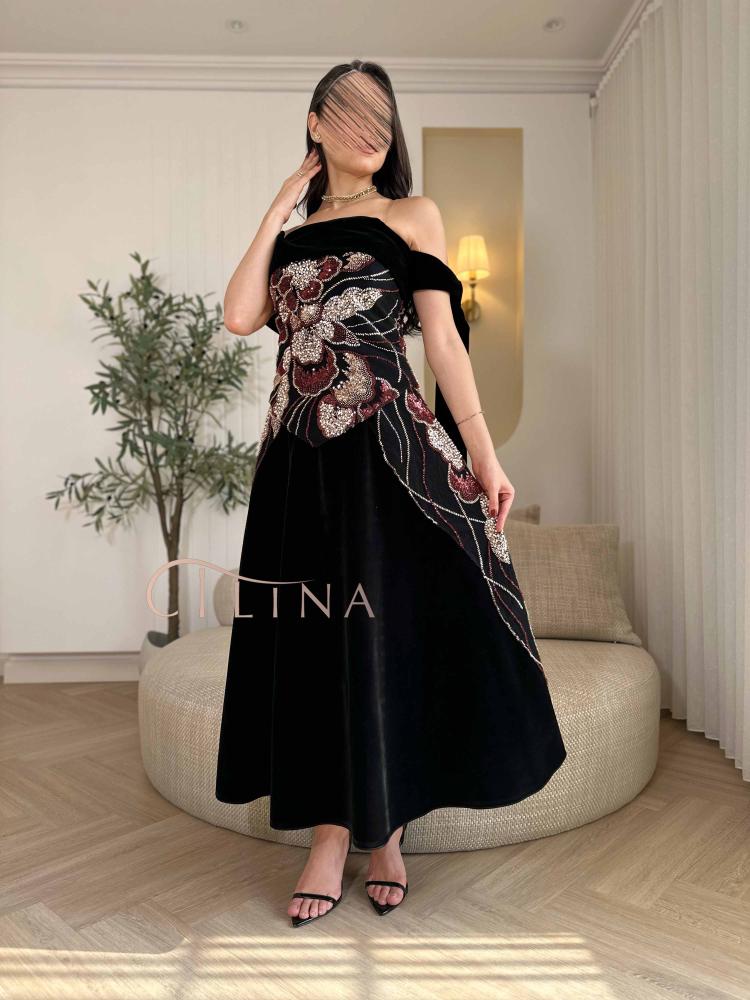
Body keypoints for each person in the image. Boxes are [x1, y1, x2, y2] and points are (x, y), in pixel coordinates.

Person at [215, 59, 567, 928]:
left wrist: (484, 453)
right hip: (297, 463)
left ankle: (386, 834)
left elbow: (441, 343)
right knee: (314, 644)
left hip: (389, 456)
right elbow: (240, 316)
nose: (370, 128)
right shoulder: (293, 231)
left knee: (384, 640)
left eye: (383, 114)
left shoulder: (414, 215)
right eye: (349, 111)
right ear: (314, 122)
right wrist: (280, 204)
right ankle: (329, 834)